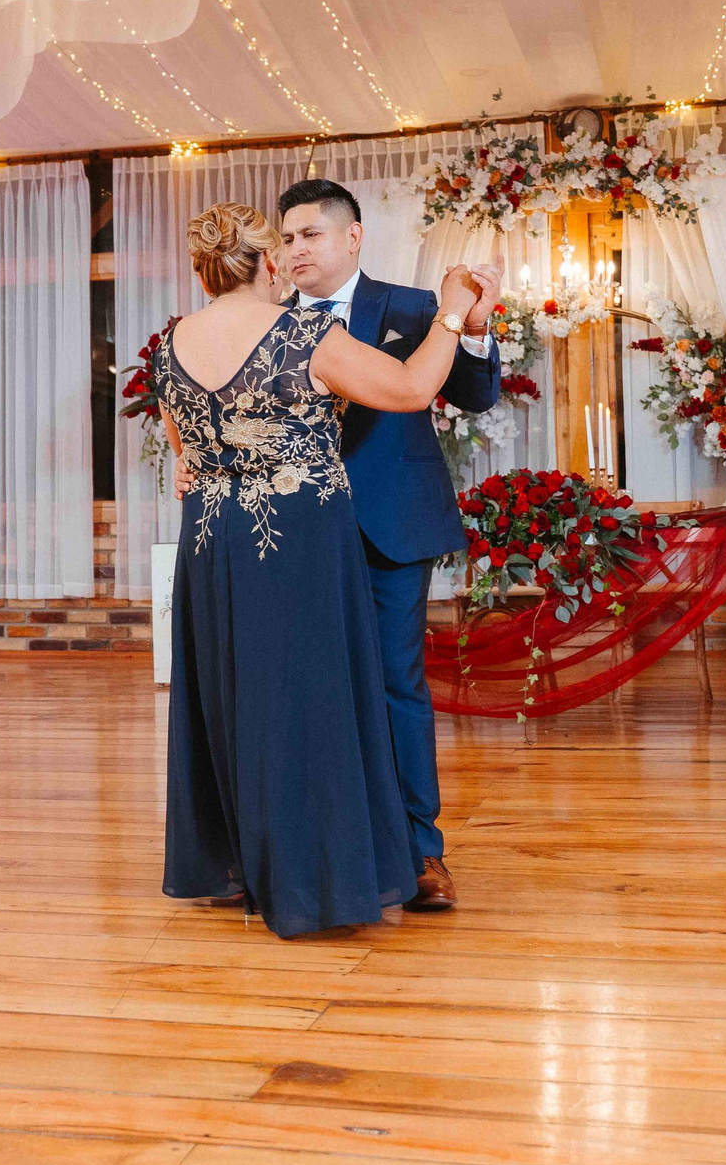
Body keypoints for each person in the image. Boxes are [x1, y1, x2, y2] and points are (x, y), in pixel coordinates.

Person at [156, 202, 487, 937]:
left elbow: (185, 450)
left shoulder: (170, 344)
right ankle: (315, 873)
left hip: (213, 542)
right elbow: (409, 390)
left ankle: (248, 861)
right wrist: (455, 313)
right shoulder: (301, 332)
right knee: (311, 702)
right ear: (270, 263)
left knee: (236, 697)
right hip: (297, 541)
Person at [272, 178, 500, 913]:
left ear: (353, 236)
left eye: (310, 233)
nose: (295, 249)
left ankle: (420, 850)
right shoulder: (265, 323)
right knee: (309, 688)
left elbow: (474, 393)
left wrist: (475, 327)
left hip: (391, 526)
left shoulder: (411, 307)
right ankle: (323, 843)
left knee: (396, 681)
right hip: (296, 529)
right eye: (286, 237)